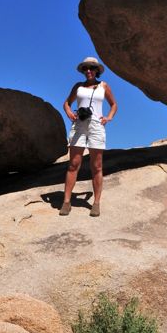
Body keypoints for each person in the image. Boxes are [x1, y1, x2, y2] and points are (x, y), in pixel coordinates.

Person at [60, 57, 117, 217]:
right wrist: (69, 112)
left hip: (96, 126)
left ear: (97, 70)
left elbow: (114, 104)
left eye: (91, 68)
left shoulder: (103, 86)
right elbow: (66, 103)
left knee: (97, 166)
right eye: (85, 68)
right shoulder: (78, 86)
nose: (88, 71)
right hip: (79, 125)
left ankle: (96, 203)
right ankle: (66, 202)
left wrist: (108, 117)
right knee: (73, 164)